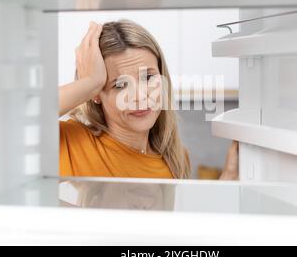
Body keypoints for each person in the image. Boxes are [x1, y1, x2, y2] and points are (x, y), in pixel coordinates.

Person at [59, 20, 238, 179]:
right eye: (120, 85)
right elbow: (31, 113)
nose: (140, 96)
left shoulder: (176, 159)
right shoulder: (70, 143)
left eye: (148, 77)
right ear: (96, 93)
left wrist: (229, 178)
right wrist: (90, 82)